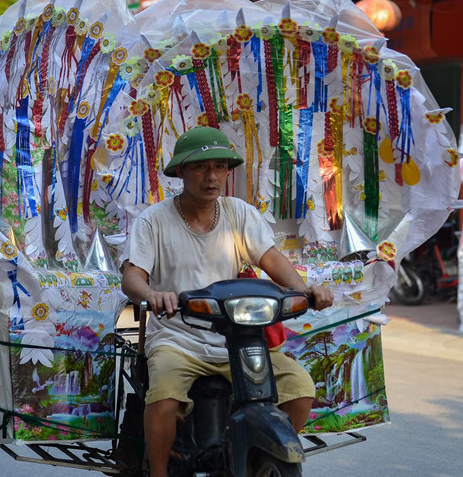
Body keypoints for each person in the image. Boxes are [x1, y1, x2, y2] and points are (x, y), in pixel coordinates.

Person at [121, 126, 334, 476]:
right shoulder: (154, 220)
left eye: (219, 167)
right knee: (163, 396)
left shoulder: (238, 213)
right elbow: (132, 276)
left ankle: (253, 459)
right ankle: (157, 471)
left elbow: (271, 258)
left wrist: (304, 290)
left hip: (235, 339)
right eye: (201, 167)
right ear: (181, 172)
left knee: (299, 388)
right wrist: (152, 294)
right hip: (176, 339)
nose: (212, 176)